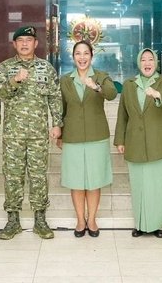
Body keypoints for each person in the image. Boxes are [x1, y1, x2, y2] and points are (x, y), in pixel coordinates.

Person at [0, 26, 63, 240]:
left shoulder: (46, 68)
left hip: (38, 135)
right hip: (13, 135)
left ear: (36, 43)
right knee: (13, 177)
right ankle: (12, 220)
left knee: (38, 177)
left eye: (29, 40)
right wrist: (14, 80)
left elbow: (55, 96)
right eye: (20, 40)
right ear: (14, 44)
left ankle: (40, 220)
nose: (25, 44)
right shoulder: (5, 68)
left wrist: (57, 123)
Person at [114, 48, 162, 238]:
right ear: (138, 63)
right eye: (143, 59)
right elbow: (122, 114)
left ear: (156, 62)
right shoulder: (129, 84)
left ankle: (158, 224)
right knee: (139, 186)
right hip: (135, 142)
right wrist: (120, 139)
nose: (147, 63)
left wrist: (158, 95)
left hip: (159, 142)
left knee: (159, 186)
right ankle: (141, 224)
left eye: (150, 59)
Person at [58, 40, 117, 237]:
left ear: (92, 56)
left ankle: (92, 220)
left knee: (94, 181)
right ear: (73, 57)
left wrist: (96, 86)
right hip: (73, 136)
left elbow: (112, 93)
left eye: (85, 53)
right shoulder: (65, 80)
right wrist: (60, 130)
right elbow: (62, 109)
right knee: (76, 181)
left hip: (96, 136)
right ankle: (80, 220)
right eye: (78, 54)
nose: (82, 57)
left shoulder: (101, 76)